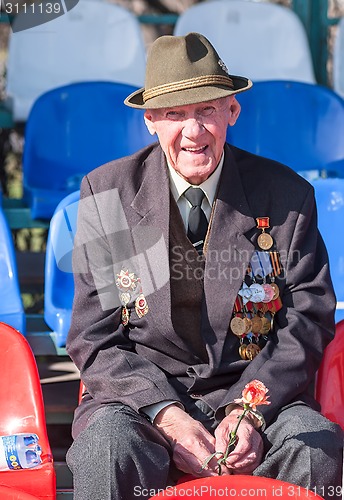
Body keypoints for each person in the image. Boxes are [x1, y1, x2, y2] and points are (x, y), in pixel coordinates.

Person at [66, 32, 343, 500]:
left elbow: (308, 317)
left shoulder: (288, 195)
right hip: (142, 401)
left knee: (315, 450)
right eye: (175, 114)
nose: (193, 132)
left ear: (232, 112)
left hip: (258, 395)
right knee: (105, 449)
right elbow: (94, 336)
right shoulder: (107, 193)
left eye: (206, 111)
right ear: (150, 120)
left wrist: (249, 411)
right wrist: (168, 415)